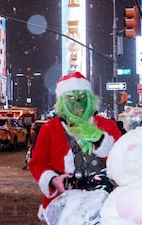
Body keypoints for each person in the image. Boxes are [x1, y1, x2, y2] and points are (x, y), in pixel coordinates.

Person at [29, 71, 122, 222]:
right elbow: (37, 163)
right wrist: (53, 180)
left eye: (82, 97)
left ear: (91, 99)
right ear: (62, 102)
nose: (77, 103)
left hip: (104, 203)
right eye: (70, 98)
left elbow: (123, 160)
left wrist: (98, 138)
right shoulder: (50, 128)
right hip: (62, 205)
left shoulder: (106, 125)